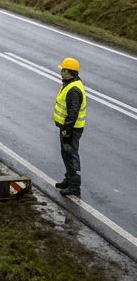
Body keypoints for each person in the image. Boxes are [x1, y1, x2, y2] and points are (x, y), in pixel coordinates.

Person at [54, 56, 86, 199]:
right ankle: (69, 181)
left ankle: (74, 187)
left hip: (71, 130)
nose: (61, 72)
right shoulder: (69, 83)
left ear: (69, 72)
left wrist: (67, 130)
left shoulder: (73, 89)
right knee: (66, 155)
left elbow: (73, 113)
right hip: (68, 128)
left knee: (71, 156)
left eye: (63, 70)